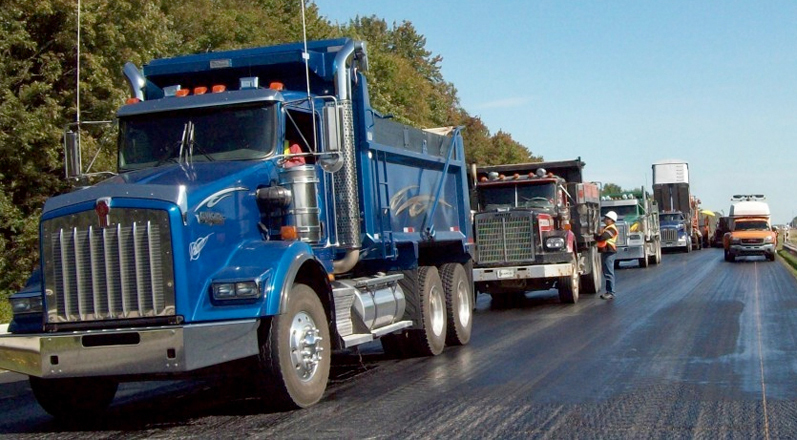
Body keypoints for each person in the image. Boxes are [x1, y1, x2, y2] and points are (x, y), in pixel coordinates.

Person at [596, 211, 619, 300]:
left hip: (609, 251)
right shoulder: (607, 228)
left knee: (609, 273)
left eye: (606, 218)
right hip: (606, 251)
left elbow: (602, 237)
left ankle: (611, 292)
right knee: (607, 272)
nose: (605, 220)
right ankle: (609, 291)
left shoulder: (612, 229)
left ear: (611, 220)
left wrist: (596, 235)